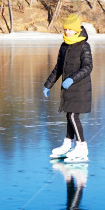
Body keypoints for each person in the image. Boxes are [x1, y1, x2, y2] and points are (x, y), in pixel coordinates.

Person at [43, 14, 93, 162]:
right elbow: (59, 67)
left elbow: (88, 66)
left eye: (70, 30)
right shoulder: (64, 45)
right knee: (69, 115)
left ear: (76, 30)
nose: (67, 32)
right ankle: (67, 145)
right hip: (68, 89)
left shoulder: (84, 45)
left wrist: (72, 78)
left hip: (81, 88)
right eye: (65, 29)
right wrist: (48, 84)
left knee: (72, 116)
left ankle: (82, 146)